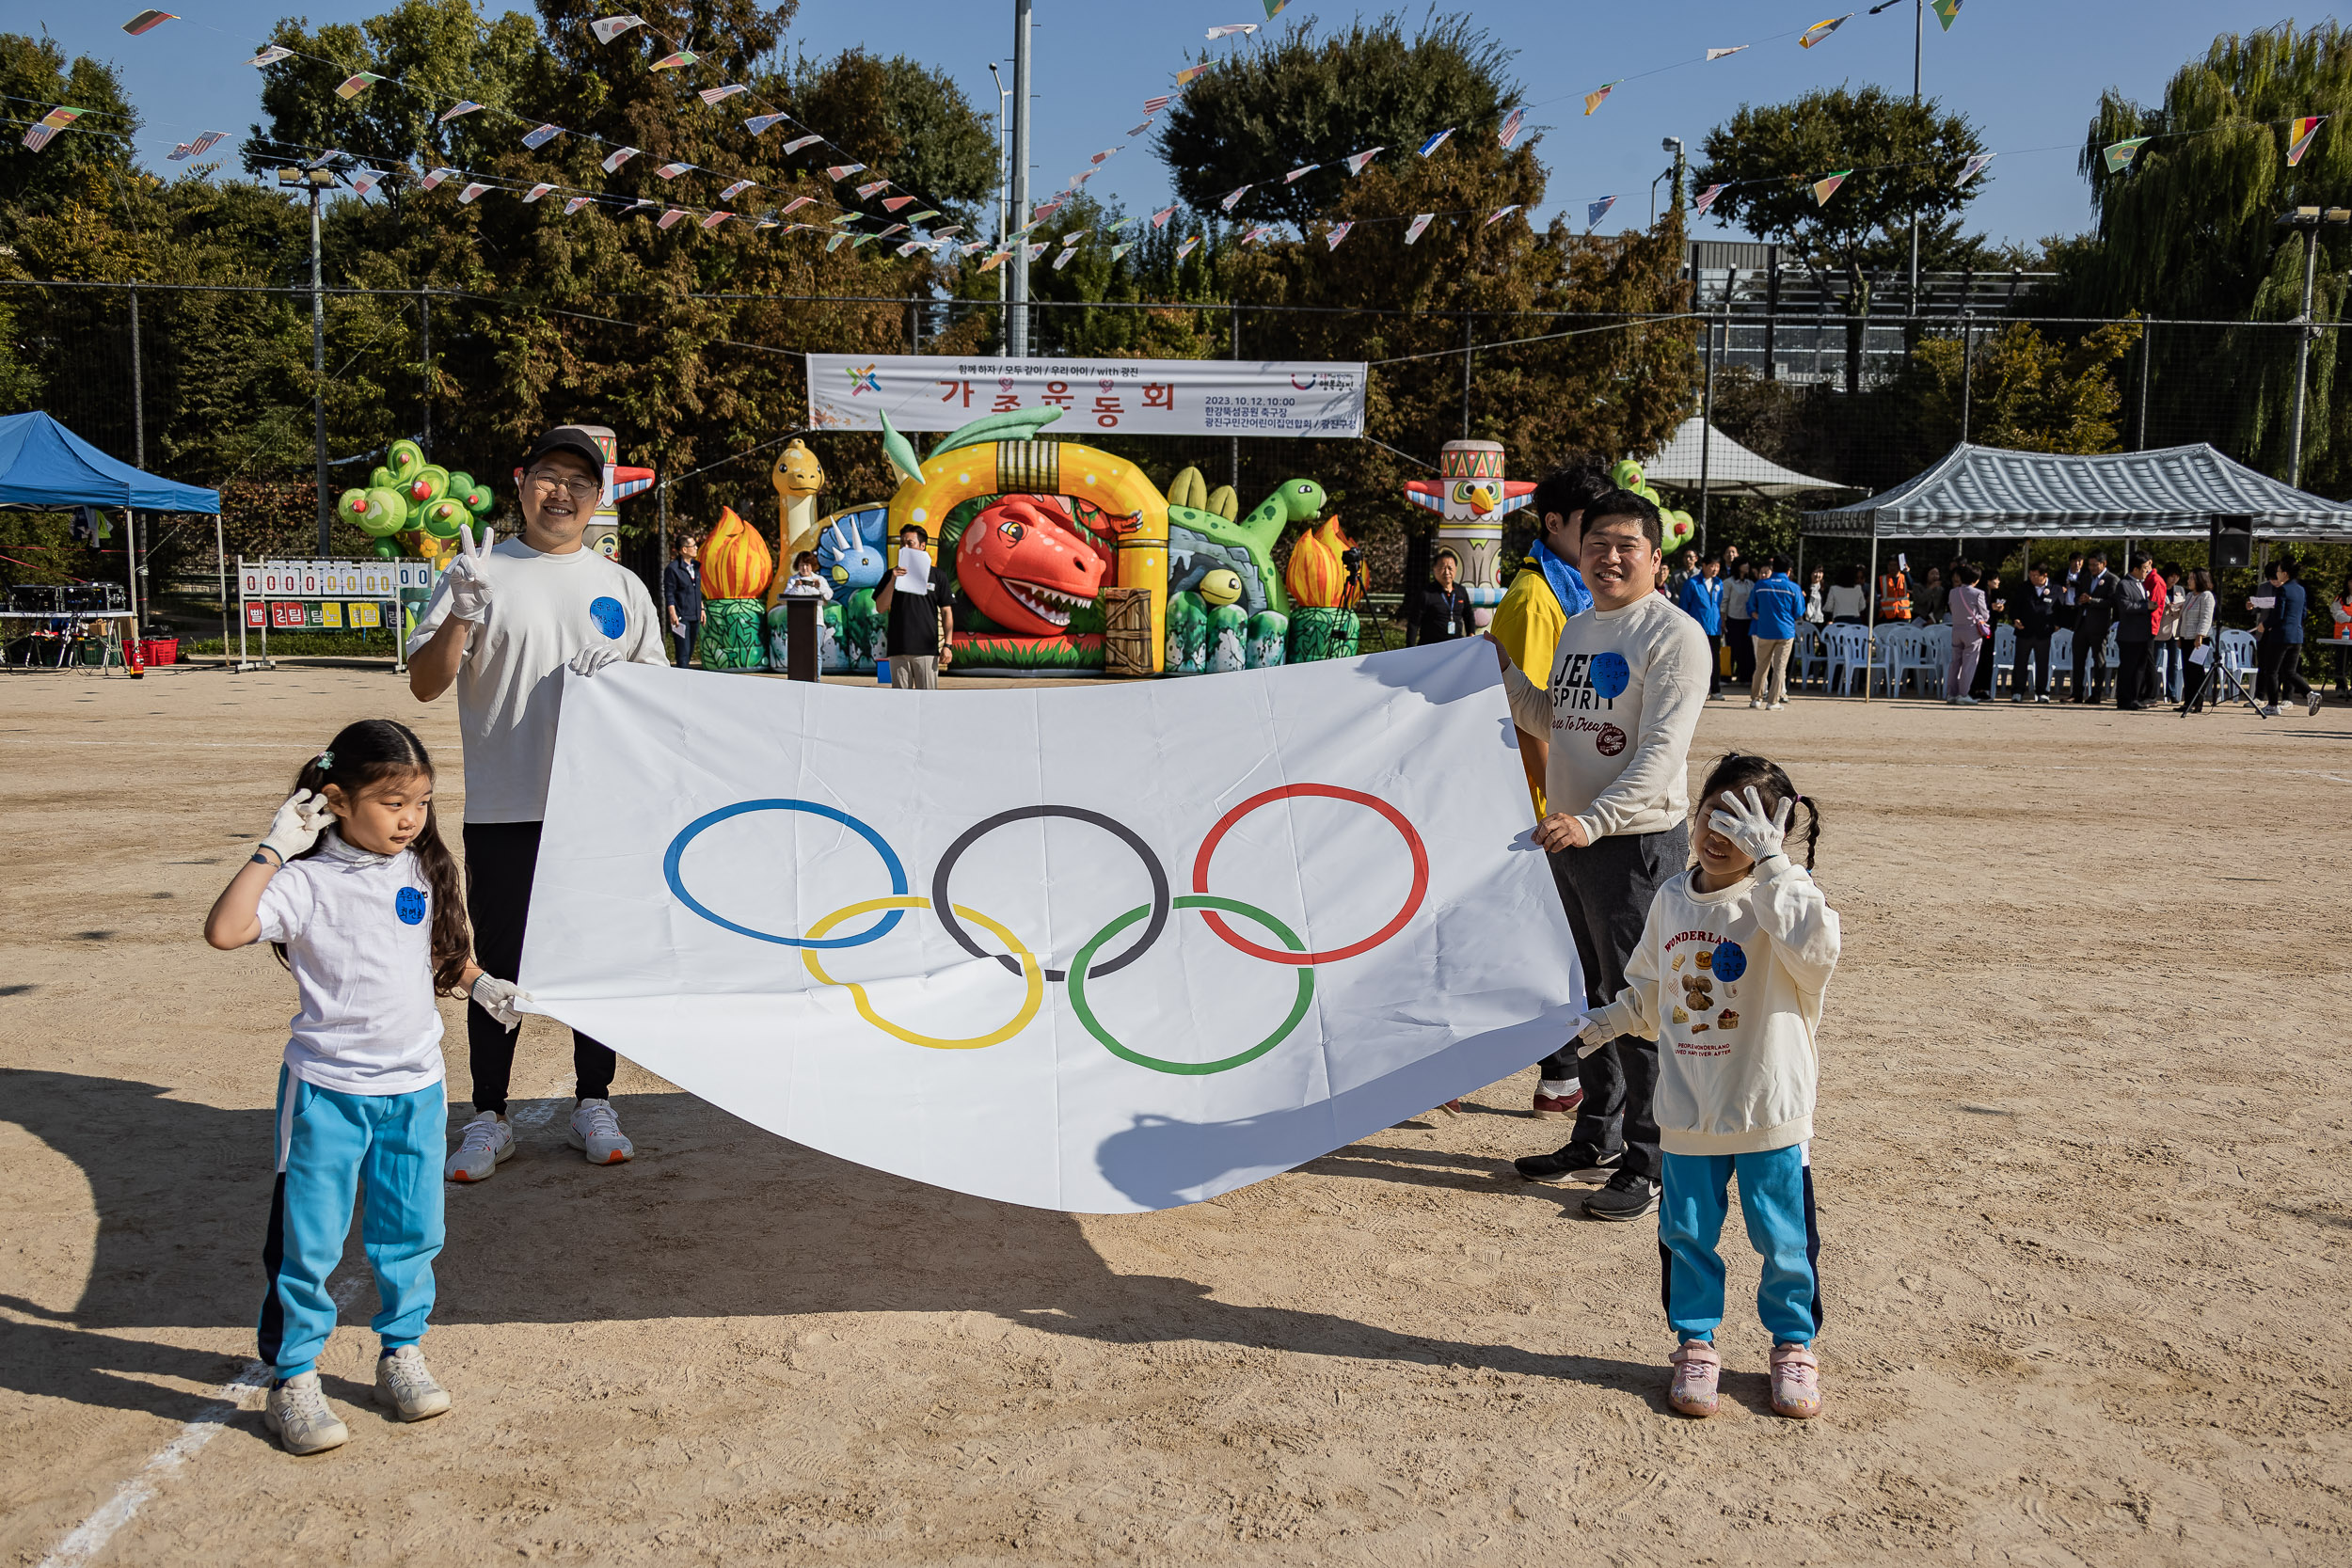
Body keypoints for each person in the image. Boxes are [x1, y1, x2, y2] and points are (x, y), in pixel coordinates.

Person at [201, 720, 529, 1454]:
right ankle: (292, 1379)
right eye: (391, 801)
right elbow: (225, 929)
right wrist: (272, 846)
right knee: (307, 1243)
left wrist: (483, 987)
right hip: (327, 1090)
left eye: (421, 800)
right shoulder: (302, 881)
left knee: (412, 1234)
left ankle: (400, 1353)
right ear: (337, 800)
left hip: (416, 1088)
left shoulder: (422, 867)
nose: (410, 816)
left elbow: (441, 954)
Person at [406, 424, 668, 1181]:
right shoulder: (481, 570)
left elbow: (662, 701)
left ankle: (595, 1099)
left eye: (580, 483)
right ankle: (489, 1114)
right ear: (521, 482)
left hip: (599, 811)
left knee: (595, 960)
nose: (563, 493)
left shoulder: (623, 587)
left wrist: (623, 677)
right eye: (549, 477)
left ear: (600, 498)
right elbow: (426, 683)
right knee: (500, 965)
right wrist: (460, 612)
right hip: (505, 804)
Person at [1570, 752, 1839, 1420]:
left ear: (1774, 832)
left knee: (1783, 1238)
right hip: (1688, 1113)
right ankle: (1695, 1342)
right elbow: (1654, 996)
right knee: (1687, 1232)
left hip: (1769, 1110)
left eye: (1744, 821)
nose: (1722, 831)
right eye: (1714, 811)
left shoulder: (1783, 896)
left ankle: (1793, 1345)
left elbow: (1817, 949)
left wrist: (1774, 865)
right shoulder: (1670, 898)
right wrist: (1606, 1021)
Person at [1498, 491, 1710, 1221]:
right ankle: (1597, 1134)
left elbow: (1660, 754)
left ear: (1656, 555)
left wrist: (1594, 821)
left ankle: (1650, 1163)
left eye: (1626, 545)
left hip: (1632, 845)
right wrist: (1500, 674)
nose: (1610, 557)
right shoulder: (1580, 627)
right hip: (1573, 838)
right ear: (1578, 552)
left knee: (1639, 1006)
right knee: (1581, 998)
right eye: (1597, 545)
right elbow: (1553, 717)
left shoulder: (1674, 636)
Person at [1491, 456, 1611, 833]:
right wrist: (1558, 808)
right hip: (1546, 810)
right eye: (1590, 524)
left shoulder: (1572, 591)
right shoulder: (1537, 601)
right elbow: (1524, 719)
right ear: (1553, 523)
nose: (1602, 538)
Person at [873, 523, 953, 688]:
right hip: (898, 649)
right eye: (902, 543)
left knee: (928, 700)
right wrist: (893, 579)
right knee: (902, 702)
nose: (905, 547)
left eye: (910, 543)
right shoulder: (890, 574)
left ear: (922, 546)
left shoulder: (938, 575)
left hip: (926, 650)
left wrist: (947, 645)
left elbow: (946, 611)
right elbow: (881, 607)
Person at [2253, 557, 2318, 717]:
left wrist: (2264, 625)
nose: (2277, 573)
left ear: (2285, 573)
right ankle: (2310, 694)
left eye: (2278, 571)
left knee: (2271, 671)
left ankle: (2273, 705)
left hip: (2280, 635)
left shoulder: (2283, 589)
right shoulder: (2300, 589)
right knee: (2290, 671)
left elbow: (2278, 614)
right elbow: (2303, 613)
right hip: (2296, 634)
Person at [1746, 555, 1804, 710]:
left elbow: (1751, 605)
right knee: (1779, 667)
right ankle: (1773, 701)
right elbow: (1799, 611)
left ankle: (1756, 699)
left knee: (1761, 666)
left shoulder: (1760, 585)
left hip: (1764, 630)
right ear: (1789, 570)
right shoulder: (1793, 588)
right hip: (1785, 632)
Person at [2072, 552, 2118, 705]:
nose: (2091, 568)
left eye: (2094, 565)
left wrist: (2092, 600)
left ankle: (2096, 693)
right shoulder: (2085, 577)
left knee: (2098, 661)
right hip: (2082, 623)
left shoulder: (2112, 580)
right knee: (2078, 659)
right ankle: (2076, 693)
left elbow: (2112, 602)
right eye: (2090, 565)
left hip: (2099, 625)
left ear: (2103, 564)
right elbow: (2077, 596)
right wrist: (2080, 600)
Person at [1676, 555, 1724, 698]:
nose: (1714, 569)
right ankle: (1695, 691)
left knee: (1715, 659)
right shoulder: (1692, 583)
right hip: (1698, 628)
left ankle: (1715, 690)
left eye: (1717, 566)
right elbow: (1684, 605)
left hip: (1714, 628)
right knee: (1696, 660)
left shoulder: (1719, 583)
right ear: (1703, 565)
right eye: (1712, 566)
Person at [1406, 549, 1476, 645]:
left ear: (1455, 569)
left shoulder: (1461, 591)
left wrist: (1471, 634)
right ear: (1434, 569)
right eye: (1442, 568)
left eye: (1450, 568)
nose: (1447, 572)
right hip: (1431, 646)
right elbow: (1414, 623)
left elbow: (1468, 615)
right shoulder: (1426, 593)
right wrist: (1410, 647)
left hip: (1456, 645)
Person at [2110, 557, 2153, 711]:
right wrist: (2145, 606)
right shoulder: (2124, 584)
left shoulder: (2142, 585)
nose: (2146, 572)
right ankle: (2124, 699)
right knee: (2128, 668)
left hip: (2143, 634)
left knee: (2140, 668)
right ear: (2135, 569)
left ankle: (2135, 697)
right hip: (2129, 635)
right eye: (2144, 569)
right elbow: (2124, 606)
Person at [2010, 563, 2057, 703]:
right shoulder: (2023, 587)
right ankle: (2017, 691)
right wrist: (2015, 619)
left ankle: (2042, 692)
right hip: (2024, 630)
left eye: (2036, 575)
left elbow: (2060, 608)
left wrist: (2057, 625)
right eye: (2031, 575)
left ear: (2044, 575)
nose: (2032, 578)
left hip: (2044, 632)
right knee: (2020, 662)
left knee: (2043, 663)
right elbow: (2014, 606)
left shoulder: (2055, 588)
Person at [1946, 562, 1990, 705]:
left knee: (1955, 663)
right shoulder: (1978, 593)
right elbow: (1985, 614)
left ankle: (1951, 694)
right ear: (1976, 580)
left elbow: (1952, 609)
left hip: (1956, 629)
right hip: (1971, 631)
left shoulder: (1953, 592)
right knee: (1969, 663)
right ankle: (1963, 694)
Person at [661, 531, 704, 668]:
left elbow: (698, 590)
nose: (696, 548)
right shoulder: (673, 569)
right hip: (681, 617)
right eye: (693, 545)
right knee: (683, 654)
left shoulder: (696, 567)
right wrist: (673, 614)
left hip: (695, 615)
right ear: (684, 549)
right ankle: (681, 683)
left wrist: (702, 608)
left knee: (690, 651)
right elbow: (669, 593)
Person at [2177, 567, 2217, 714]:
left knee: (2196, 671)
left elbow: (2206, 617)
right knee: (2187, 671)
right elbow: (2182, 616)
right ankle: (2188, 701)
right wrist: (2179, 635)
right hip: (2186, 637)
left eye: (2192, 578)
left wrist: (2200, 635)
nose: (2189, 581)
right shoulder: (2189, 596)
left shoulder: (2207, 596)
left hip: (2199, 639)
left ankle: (2197, 703)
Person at [1721, 561, 1756, 689]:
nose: (1747, 566)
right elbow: (1724, 602)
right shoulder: (1728, 583)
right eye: (1744, 564)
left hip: (1747, 619)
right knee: (1731, 649)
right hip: (1733, 619)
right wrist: (1723, 620)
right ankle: (1726, 677)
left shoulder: (1750, 583)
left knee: (1747, 650)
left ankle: (1745, 676)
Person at [2153, 565, 2185, 704]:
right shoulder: (2159, 586)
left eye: (2177, 576)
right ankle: (2152, 692)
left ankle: (2172, 692)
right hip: (2160, 628)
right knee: (2155, 662)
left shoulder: (2180, 590)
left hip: (2175, 630)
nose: (2174, 579)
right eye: (2172, 576)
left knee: (2174, 663)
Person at [1876, 561, 1912, 626]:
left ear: (1899, 566)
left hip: (1903, 615)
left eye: (1895, 565)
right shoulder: (1881, 579)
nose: (1892, 567)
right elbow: (1877, 596)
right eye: (1890, 565)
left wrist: (1907, 573)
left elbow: (1912, 588)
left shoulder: (1905, 578)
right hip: (1886, 615)